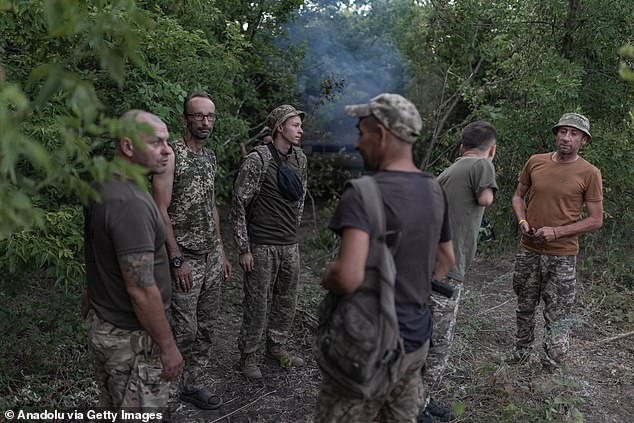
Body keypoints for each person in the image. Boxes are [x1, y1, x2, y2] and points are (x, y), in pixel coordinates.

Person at [314, 93, 455, 423]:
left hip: (367, 349)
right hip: (416, 342)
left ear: (382, 134)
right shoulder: (434, 190)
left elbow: (348, 276)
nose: (357, 143)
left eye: (362, 132)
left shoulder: (363, 193)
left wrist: (328, 274)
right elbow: (446, 258)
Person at [84, 110, 183, 411]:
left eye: (167, 141)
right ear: (128, 147)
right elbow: (140, 289)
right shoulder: (130, 204)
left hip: (107, 325)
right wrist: (167, 347)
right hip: (132, 339)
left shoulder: (103, 181)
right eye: (156, 142)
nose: (167, 150)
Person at [152, 92, 231, 409]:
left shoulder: (210, 157)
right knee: (183, 330)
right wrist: (176, 258)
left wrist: (222, 250)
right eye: (198, 115)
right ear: (185, 118)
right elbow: (160, 208)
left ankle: (192, 385)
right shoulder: (172, 155)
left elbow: (211, 205)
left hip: (211, 256)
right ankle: (164, 397)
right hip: (185, 255)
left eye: (210, 116)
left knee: (208, 327)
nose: (205, 121)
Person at [511, 112, 603, 369]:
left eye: (574, 133)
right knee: (524, 307)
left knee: (558, 315)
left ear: (583, 140)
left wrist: (557, 232)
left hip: (562, 255)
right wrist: (522, 221)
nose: (566, 137)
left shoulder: (589, 173)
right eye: (563, 131)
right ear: (556, 134)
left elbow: (596, 219)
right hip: (528, 249)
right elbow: (518, 197)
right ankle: (520, 357)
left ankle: (551, 371)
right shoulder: (535, 162)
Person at [420, 121, 498, 422]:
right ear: (490, 148)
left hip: (427, 265)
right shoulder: (481, 164)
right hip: (446, 271)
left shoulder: (447, 173)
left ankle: (421, 401)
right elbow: (485, 198)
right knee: (438, 346)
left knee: (422, 338)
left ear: (461, 145)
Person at [231, 104, 308, 380]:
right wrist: (244, 248)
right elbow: (239, 202)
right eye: (295, 125)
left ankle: (276, 346)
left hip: (289, 244)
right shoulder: (258, 159)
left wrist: (293, 233)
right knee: (257, 301)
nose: (300, 130)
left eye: (300, 125)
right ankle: (248, 355)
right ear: (280, 128)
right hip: (262, 245)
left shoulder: (300, 159)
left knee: (287, 299)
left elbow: (299, 199)